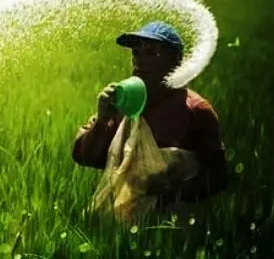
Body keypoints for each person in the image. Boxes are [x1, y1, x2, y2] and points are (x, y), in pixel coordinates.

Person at [72, 21, 228, 210]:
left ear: (176, 62)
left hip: (174, 228)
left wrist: (170, 193)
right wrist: (103, 119)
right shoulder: (123, 103)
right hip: (121, 225)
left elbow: (218, 177)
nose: (140, 60)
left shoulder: (195, 110)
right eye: (136, 53)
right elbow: (86, 157)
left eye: (152, 53)